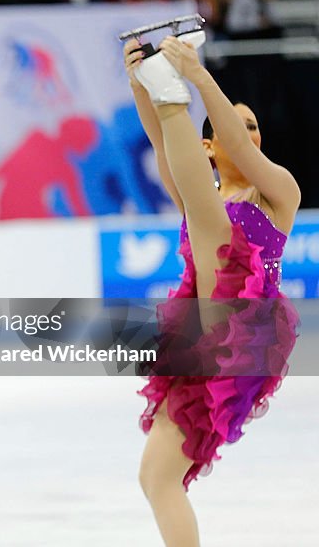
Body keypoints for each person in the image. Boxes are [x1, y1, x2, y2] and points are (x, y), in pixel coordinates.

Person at [123, 33, 299, 546]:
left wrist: (198, 77)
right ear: (206, 143)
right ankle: (164, 91)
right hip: (202, 338)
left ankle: (171, 94)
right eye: (236, 124)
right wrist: (138, 82)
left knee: (203, 209)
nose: (249, 133)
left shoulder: (277, 192)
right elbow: (163, 145)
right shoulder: (196, 183)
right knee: (156, 477)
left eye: (254, 125)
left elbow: (235, 148)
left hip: (245, 335)